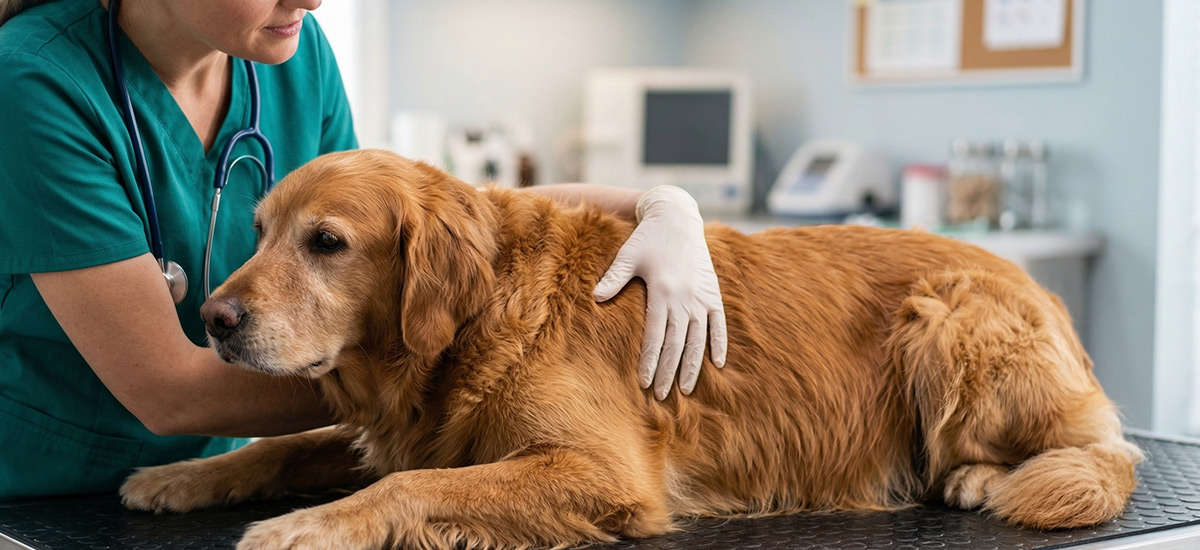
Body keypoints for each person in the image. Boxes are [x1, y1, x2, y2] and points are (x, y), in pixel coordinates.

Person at [0, 0, 727, 500]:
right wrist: (463, 367)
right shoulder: (32, 82)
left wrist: (647, 204)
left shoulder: (291, 51)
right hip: (55, 494)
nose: (314, 0)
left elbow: (381, 223)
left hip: (227, 472)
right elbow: (172, 389)